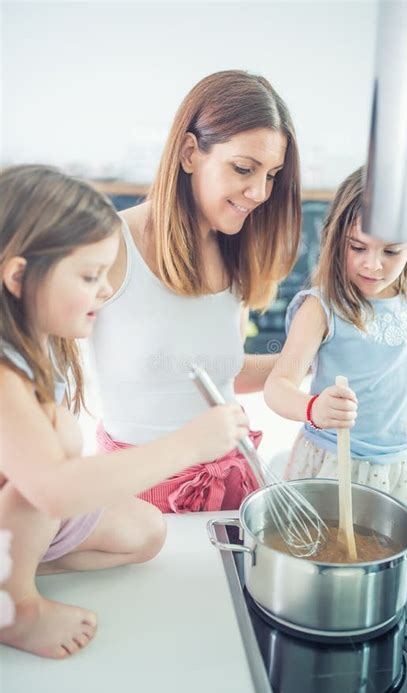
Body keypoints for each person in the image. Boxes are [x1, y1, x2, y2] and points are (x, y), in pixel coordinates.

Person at [0, 165, 249, 659]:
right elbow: (54, 493)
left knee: (148, 533)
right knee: (48, 481)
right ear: (20, 276)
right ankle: (14, 606)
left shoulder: (36, 348)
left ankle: (15, 571)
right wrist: (188, 444)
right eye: (91, 276)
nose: (106, 290)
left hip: (19, 525)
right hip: (26, 508)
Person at [91, 69, 302, 512]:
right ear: (190, 152)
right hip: (133, 496)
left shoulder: (236, 255)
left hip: (229, 486)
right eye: (244, 168)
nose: (260, 192)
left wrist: (307, 356)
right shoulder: (110, 245)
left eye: (272, 175)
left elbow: (217, 372)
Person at [264, 167, 407, 505]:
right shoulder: (321, 308)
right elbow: (277, 386)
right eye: (358, 247)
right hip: (338, 460)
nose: (373, 265)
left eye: (391, 252)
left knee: (397, 548)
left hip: (405, 459)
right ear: (335, 238)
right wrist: (313, 408)